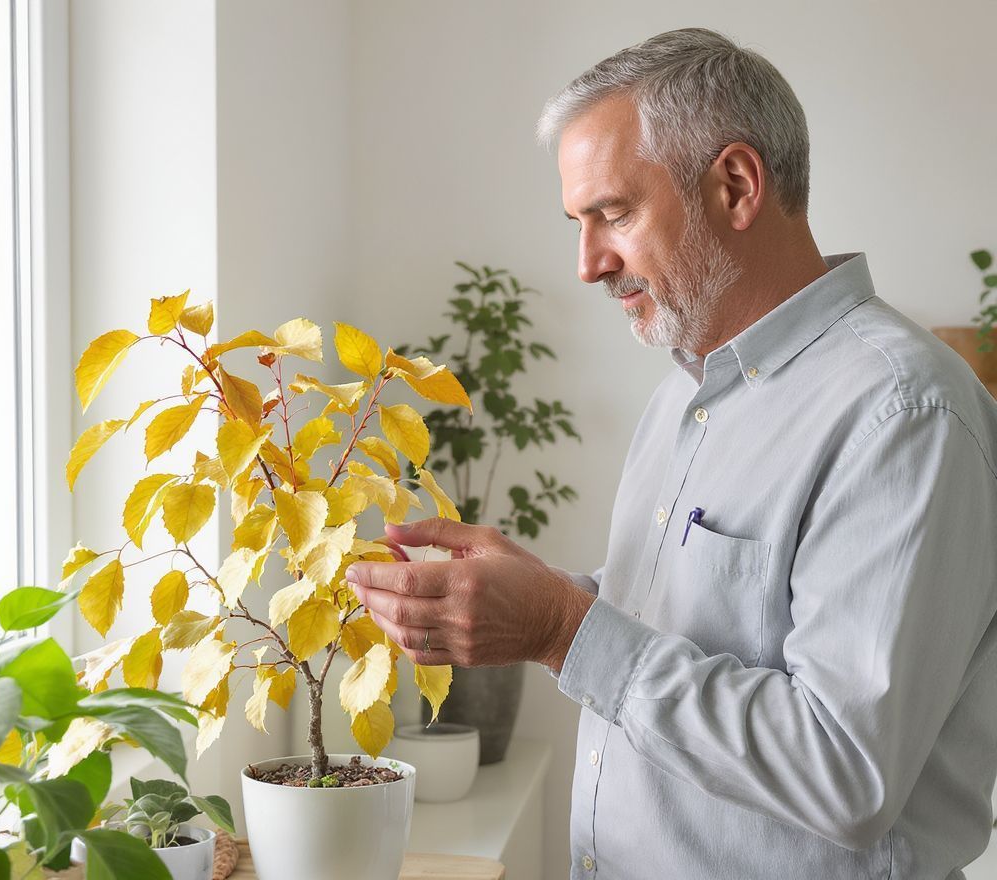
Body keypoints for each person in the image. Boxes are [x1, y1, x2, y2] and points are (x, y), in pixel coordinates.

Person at [343, 27, 997, 879]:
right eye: (579, 222)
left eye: (612, 213)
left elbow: (846, 769)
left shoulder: (905, 414)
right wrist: (530, 597)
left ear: (735, 184)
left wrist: (558, 628)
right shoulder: (684, 395)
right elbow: (705, 629)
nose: (588, 263)